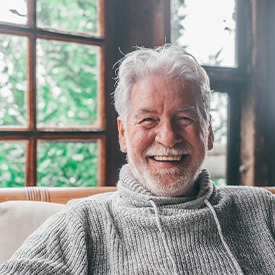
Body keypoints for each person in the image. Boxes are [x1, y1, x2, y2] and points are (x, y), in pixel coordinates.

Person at [0, 44, 274, 275]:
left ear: (209, 131)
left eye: (184, 119)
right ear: (123, 134)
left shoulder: (263, 210)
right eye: (148, 120)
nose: (167, 137)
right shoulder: (82, 223)